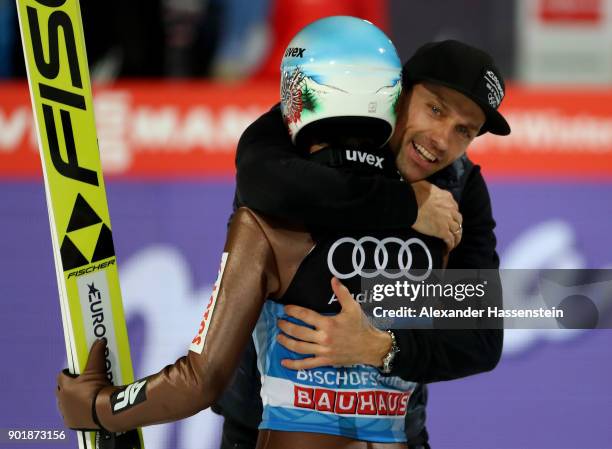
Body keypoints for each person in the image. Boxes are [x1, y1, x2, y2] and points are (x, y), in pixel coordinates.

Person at [55, 16, 447, 449]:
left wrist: (99, 409)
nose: (448, 140)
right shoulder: (439, 215)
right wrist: (385, 348)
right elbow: (499, 320)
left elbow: (200, 381)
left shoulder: (265, 223)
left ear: (299, 95)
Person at [214, 39, 510, 448]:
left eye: (464, 130)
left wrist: (381, 348)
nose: (442, 140)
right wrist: (406, 205)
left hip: (391, 436)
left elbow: (480, 340)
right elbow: (261, 181)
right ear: (399, 91)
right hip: (267, 428)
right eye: (435, 109)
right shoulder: (319, 124)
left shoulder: (461, 189)